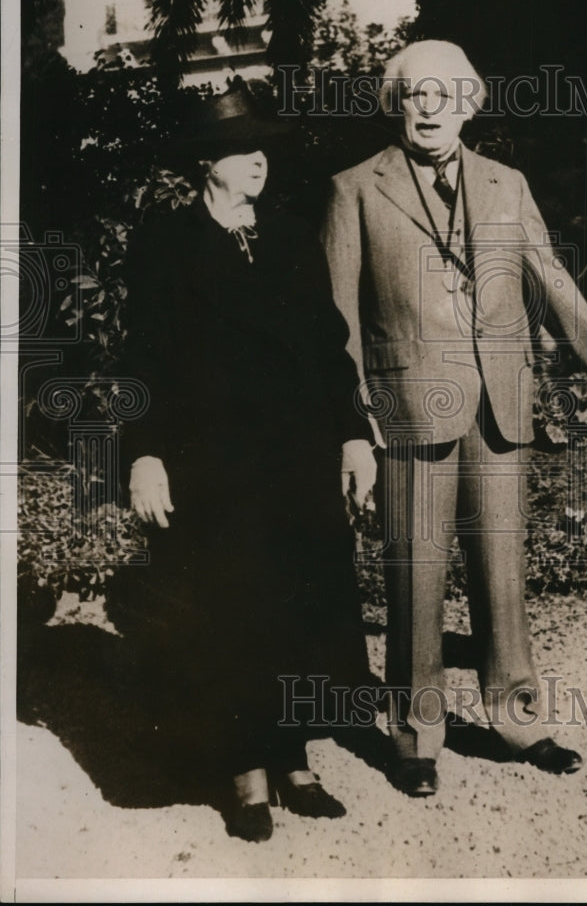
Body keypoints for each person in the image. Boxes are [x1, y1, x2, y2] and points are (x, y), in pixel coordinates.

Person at [320, 40, 587, 797]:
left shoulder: (505, 185)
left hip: (499, 408)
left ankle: (518, 722)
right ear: (396, 105)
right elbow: (338, 323)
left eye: (444, 95)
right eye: (415, 95)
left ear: (469, 106)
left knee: (502, 578)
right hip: (407, 410)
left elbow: (548, 279)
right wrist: (355, 426)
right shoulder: (354, 189)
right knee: (414, 576)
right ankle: (415, 737)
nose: (429, 109)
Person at [112, 79, 377, 841]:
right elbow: (142, 357)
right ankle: (244, 771)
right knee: (230, 613)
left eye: (263, 149)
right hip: (213, 466)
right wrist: (145, 454)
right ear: (206, 163)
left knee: (299, 609)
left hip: (298, 460)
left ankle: (294, 762)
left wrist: (353, 436)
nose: (259, 160)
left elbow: (330, 349)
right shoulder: (166, 241)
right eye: (240, 150)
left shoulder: (291, 235)